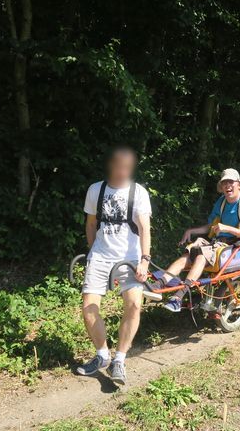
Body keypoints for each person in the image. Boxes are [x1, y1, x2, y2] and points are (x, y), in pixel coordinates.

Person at [76, 146, 152, 385]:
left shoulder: (138, 192)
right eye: (118, 166)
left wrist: (144, 259)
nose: (122, 171)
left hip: (130, 257)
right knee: (88, 307)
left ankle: (119, 359)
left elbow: (144, 228)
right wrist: (92, 253)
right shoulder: (95, 190)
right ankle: (102, 356)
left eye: (127, 167)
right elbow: (91, 224)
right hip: (100, 255)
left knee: (133, 304)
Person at [154, 168, 240, 312]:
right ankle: (160, 283)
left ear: (239, 185)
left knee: (201, 255)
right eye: (224, 183)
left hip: (235, 244)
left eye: (231, 182)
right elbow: (211, 226)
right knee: (189, 253)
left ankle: (178, 297)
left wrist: (228, 229)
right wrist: (191, 231)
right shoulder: (221, 202)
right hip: (217, 243)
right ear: (221, 187)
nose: (227, 185)